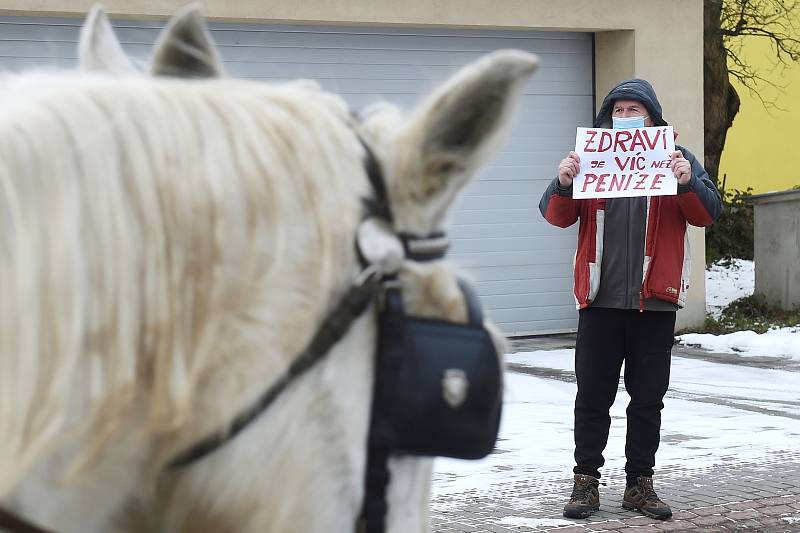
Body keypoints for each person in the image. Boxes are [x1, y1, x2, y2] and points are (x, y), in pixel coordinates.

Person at [538, 79, 722, 521]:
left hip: (654, 302)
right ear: (607, 117)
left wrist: (686, 182)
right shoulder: (590, 158)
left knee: (647, 399)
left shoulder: (678, 159)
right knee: (592, 396)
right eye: (618, 110)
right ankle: (585, 483)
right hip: (599, 301)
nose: (625, 117)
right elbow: (555, 216)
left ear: (653, 117)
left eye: (634, 110)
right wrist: (564, 183)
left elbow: (708, 213)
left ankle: (640, 484)